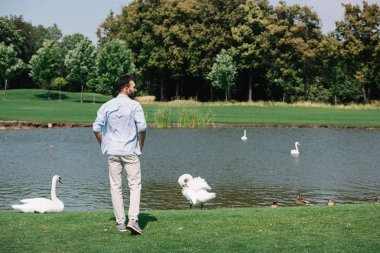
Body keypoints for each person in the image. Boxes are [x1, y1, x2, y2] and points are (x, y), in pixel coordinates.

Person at [93, 75, 147, 234]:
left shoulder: (107, 106)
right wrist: (140, 146)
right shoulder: (135, 105)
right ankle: (133, 220)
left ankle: (120, 223)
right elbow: (142, 128)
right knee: (135, 185)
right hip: (130, 151)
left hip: (113, 151)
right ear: (126, 89)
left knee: (115, 187)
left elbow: (96, 128)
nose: (135, 89)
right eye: (133, 87)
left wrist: (105, 145)